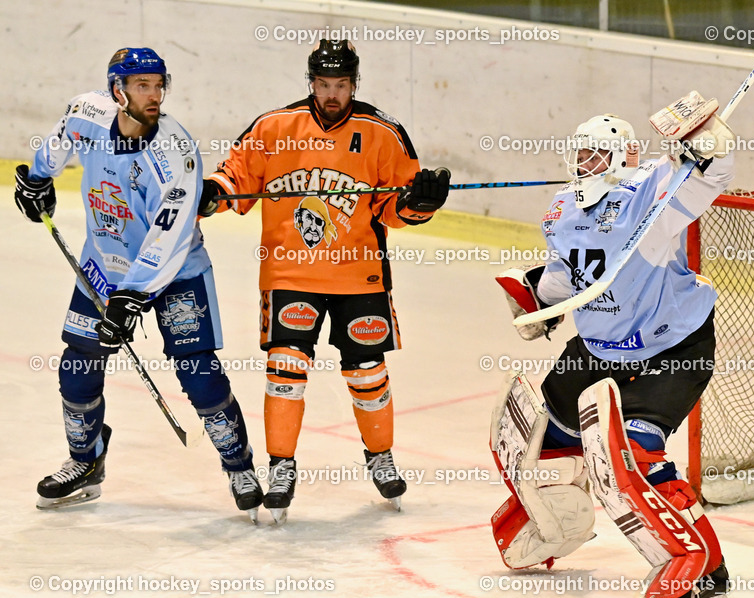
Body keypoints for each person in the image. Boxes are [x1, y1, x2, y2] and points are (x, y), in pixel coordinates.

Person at [489, 94, 737, 598]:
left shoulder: (650, 196)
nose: (586, 164)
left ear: (624, 156)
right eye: (581, 154)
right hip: (598, 348)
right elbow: (567, 273)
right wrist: (539, 301)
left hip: (670, 348)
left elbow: (710, 174)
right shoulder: (564, 208)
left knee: (637, 456)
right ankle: (561, 524)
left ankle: (705, 573)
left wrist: (707, 139)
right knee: (538, 442)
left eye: (598, 154)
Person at [199, 39, 449, 522]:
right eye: (323, 84)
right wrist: (213, 193)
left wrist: (420, 204)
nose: (332, 94)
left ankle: (381, 458)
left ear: (355, 84)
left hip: (360, 275)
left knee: (367, 372)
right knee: (285, 369)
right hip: (290, 271)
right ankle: (281, 467)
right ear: (310, 83)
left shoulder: (383, 133)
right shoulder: (274, 128)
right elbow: (237, 179)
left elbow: (395, 208)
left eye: (341, 85)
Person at [16, 48, 260, 520]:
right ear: (117, 90)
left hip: (176, 272)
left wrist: (131, 296)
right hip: (105, 264)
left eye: (158, 85)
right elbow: (61, 138)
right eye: (142, 86)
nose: (154, 95)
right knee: (77, 365)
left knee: (199, 374)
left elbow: (169, 237)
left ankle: (240, 467)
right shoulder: (87, 112)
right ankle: (86, 461)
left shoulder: (175, 152)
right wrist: (40, 179)